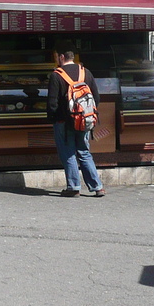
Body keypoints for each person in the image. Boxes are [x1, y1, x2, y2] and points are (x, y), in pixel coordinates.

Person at [47, 48, 105, 197]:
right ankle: (98, 187)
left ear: (61, 57)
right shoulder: (86, 72)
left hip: (64, 122)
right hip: (84, 121)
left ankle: (74, 187)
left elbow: (52, 103)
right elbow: (96, 98)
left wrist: (54, 119)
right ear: (73, 57)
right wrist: (85, 115)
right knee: (84, 152)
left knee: (68, 154)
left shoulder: (56, 75)